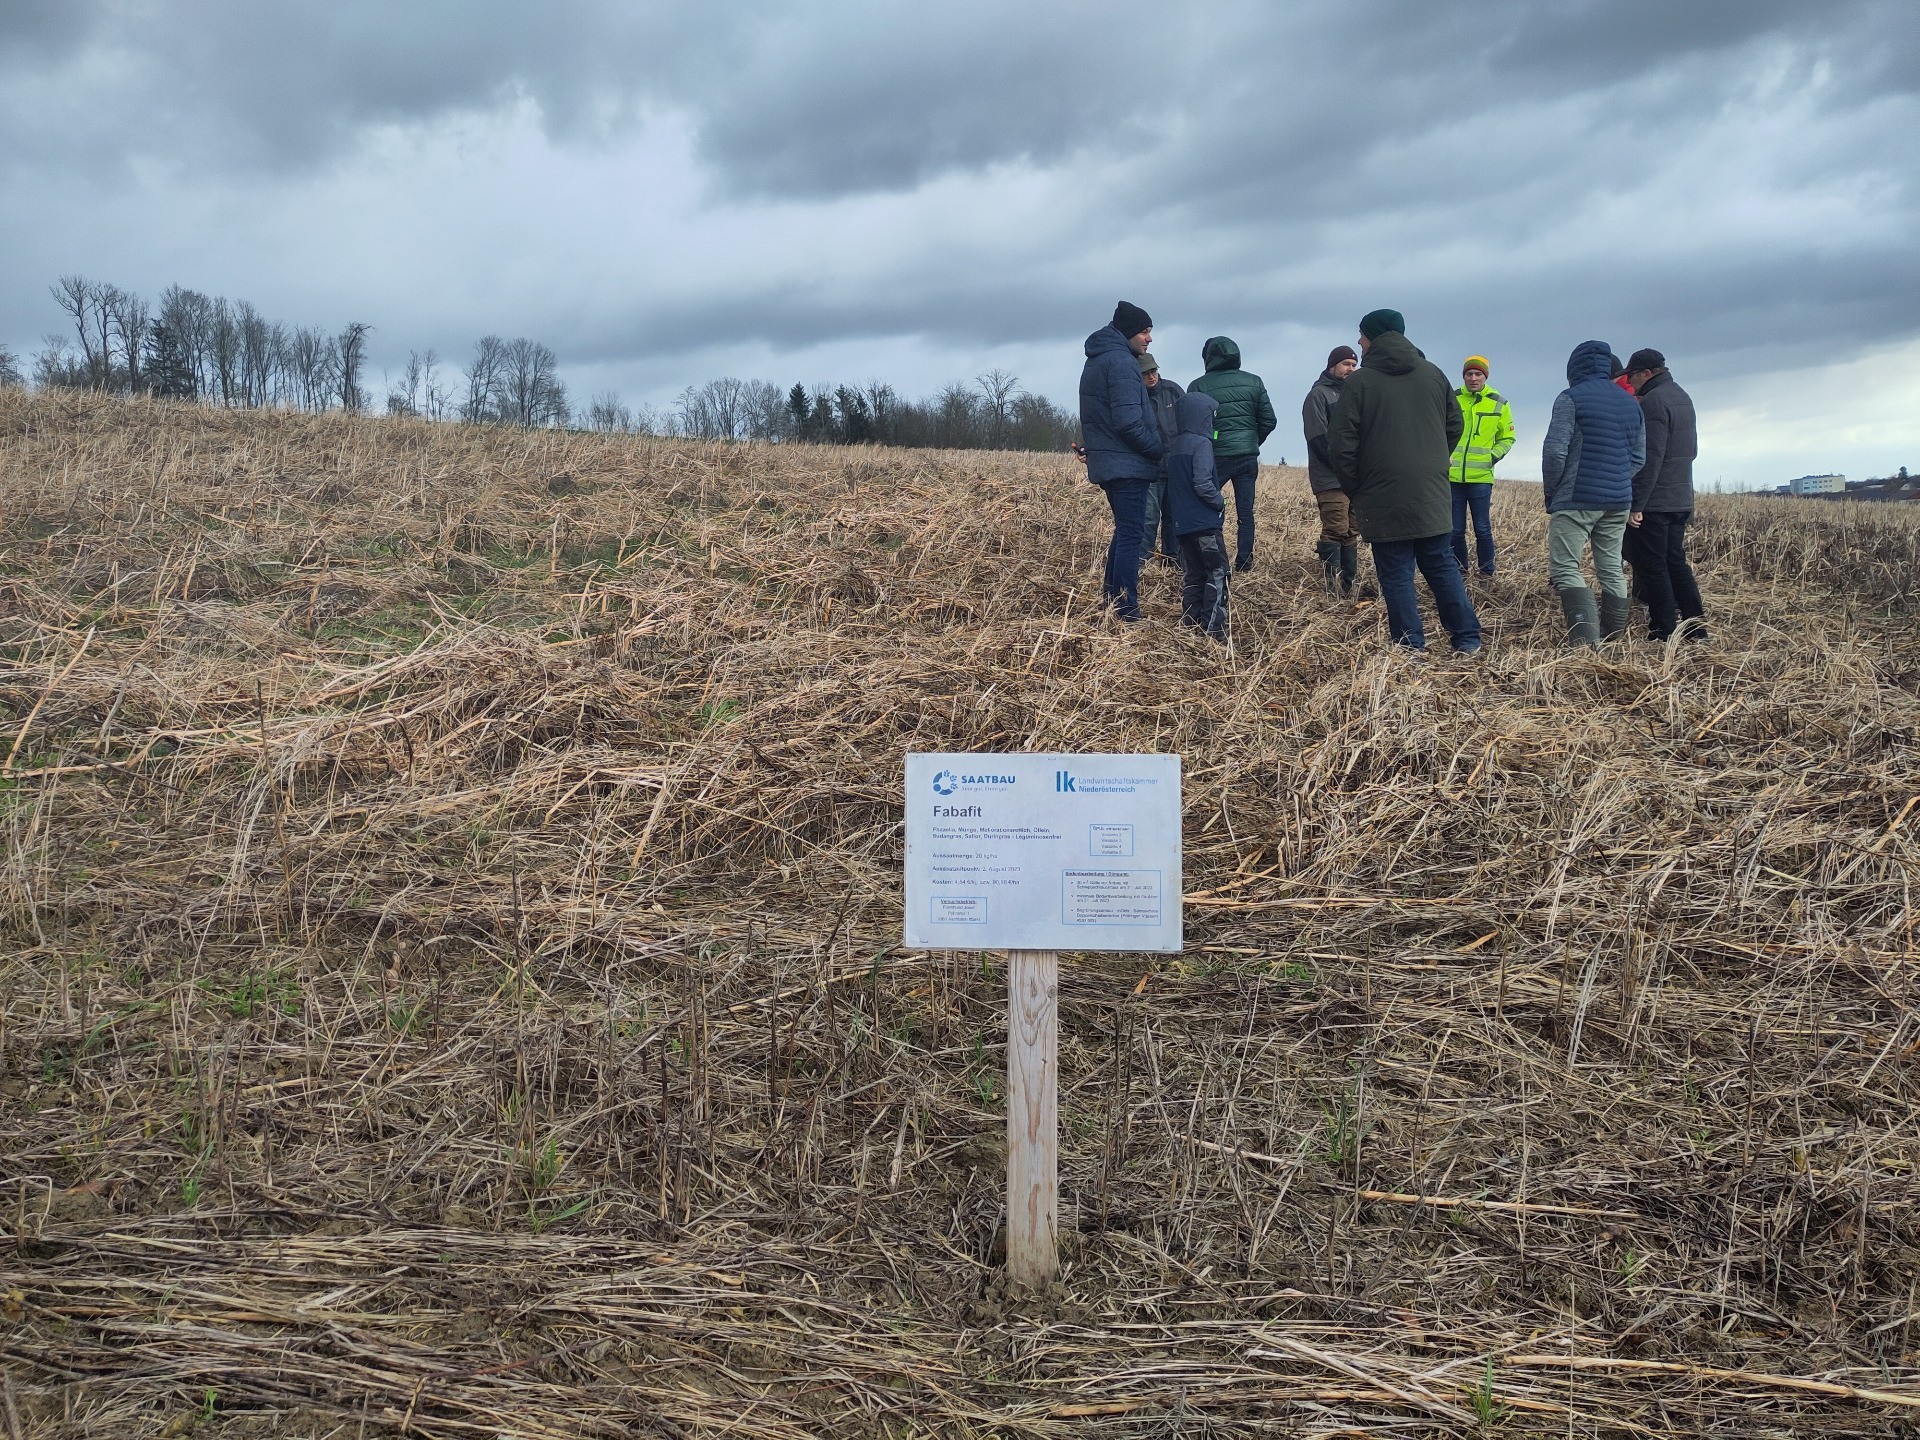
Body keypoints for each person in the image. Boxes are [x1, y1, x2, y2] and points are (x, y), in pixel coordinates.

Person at [1327, 309, 1482, 655]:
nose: (1358, 341)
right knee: (1441, 564)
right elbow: (1454, 425)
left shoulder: (1359, 383)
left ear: (1375, 337)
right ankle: (1467, 640)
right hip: (1432, 491)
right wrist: (1432, 461)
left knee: (1396, 572)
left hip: (1381, 493)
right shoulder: (1433, 374)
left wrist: (1357, 486)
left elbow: (1340, 443)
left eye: (1362, 335)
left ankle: (1410, 648)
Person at [1541, 340, 1644, 646]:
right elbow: (1638, 458)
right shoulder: (1631, 403)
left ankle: (1586, 645)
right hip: (1618, 500)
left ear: (1574, 368)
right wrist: (1615, 479)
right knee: (1611, 567)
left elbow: (1555, 452)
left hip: (1576, 498)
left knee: (1564, 567)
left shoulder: (1570, 398)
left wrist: (1553, 491)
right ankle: (1613, 640)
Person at [1078, 302, 1165, 621]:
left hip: (1111, 462)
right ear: (1129, 332)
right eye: (1144, 332)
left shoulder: (1100, 359)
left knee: (1125, 530)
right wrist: (1156, 448)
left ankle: (1112, 601)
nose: (1149, 339)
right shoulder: (1122, 363)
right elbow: (1129, 422)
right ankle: (1126, 610)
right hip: (1127, 462)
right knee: (1132, 533)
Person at [1622, 348, 1707, 642]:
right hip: (1681, 497)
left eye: (1632, 377)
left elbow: (1650, 457)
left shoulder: (1654, 403)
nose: (1631, 384)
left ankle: (1662, 629)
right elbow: (1692, 451)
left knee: (1653, 565)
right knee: (1675, 562)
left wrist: (1637, 504)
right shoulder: (1682, 396)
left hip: (1656, 502)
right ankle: (1696, 628)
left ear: (1647, 373)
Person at [1188, 337, 1277, 571]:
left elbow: (1193, 426)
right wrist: (1251, 439)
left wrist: (1213, 442)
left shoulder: (1198, 386)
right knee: (1245, 513)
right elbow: (1269, 420)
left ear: (1207, 357)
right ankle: (1245, 562)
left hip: (1215, 457)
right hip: (1247, 456)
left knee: (1207, 505)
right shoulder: (1254, 382)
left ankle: (1213, 559)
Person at [1165, 391, 1229, 639]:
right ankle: (1214, 632)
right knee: (1217, 572)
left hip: (1183, 527)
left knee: (1194, 574)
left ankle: (1189, 628)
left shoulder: (1176, 445)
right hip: (1204, 524)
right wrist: (1219, 501)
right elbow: (1202, 483)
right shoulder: (1202, 444)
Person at [1301, 345, 1360, 596]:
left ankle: (1349, 585)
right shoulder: (1318, 395)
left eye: (1354, 365)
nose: (1351, 369)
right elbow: (1317, 439)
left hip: (1356, 477)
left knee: (1351, 531)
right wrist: (1343, 466)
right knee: (1335, 529)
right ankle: (1332, 588)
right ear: (1332, 365)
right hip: (1330, 478)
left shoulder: (1356, 395)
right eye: (1346, 363)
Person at [1448, 356, 1514, 577]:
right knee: (1455, 531)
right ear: (1464, 376)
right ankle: (1460, 570)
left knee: (1482, 530)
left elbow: (1507, 437)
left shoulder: (1499, 403)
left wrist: (1491, 457)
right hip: (1453, 477)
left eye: (1478, 374)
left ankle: (1487, 572)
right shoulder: (1452, 399)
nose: (1473, 378)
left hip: (1481, 479)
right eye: (1469, 374)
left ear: (1485, 376)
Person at [1139, 353, 1184, 562]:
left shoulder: (1173, 390)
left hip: (1175, 466)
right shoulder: (1134, 397)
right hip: (1150, 469)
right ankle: (1143, 560)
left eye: (1153, 371)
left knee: (1174, 516)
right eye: (1146, 373)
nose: (1151, 376)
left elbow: (1188, 421)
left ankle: (1171, 559)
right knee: (1149, 517)